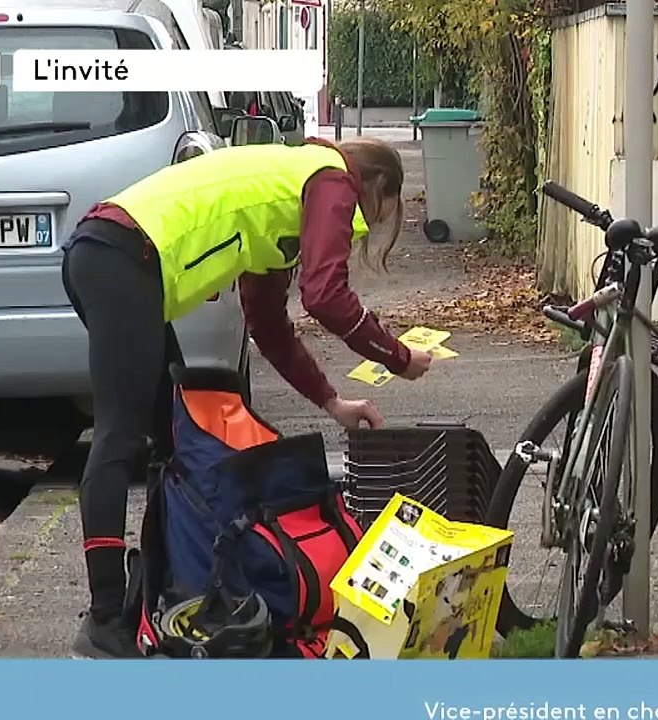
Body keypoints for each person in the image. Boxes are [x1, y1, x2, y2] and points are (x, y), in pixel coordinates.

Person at [60, 135, 433, 658]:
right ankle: (103, 622)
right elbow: (325, 293)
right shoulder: (331, 177)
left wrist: (332, 403)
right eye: (373, 217)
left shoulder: (284, 201)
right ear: (374, 186)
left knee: (173, 437)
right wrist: (395, 355)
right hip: (121, 255)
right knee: (119, 436)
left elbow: (269, 326)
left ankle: (167, 594)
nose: (356, 228)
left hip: (117, 257)